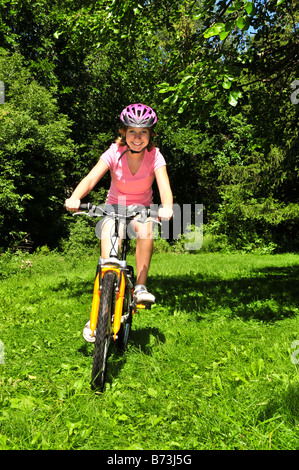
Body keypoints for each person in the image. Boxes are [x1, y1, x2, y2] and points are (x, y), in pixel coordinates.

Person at [65, 103, 173, 339]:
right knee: (108, 264)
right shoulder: (114, 151)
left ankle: (140, 288)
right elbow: (92, 177)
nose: (137, 137)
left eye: (143, 131)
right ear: (123, 131)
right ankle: (99, 313)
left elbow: (164, 186)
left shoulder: (155, 155)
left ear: (151, 134)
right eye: (132, 131)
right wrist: (76, 196)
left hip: (141, 210)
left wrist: (165, 207)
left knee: (146, 229)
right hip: (113, 208)